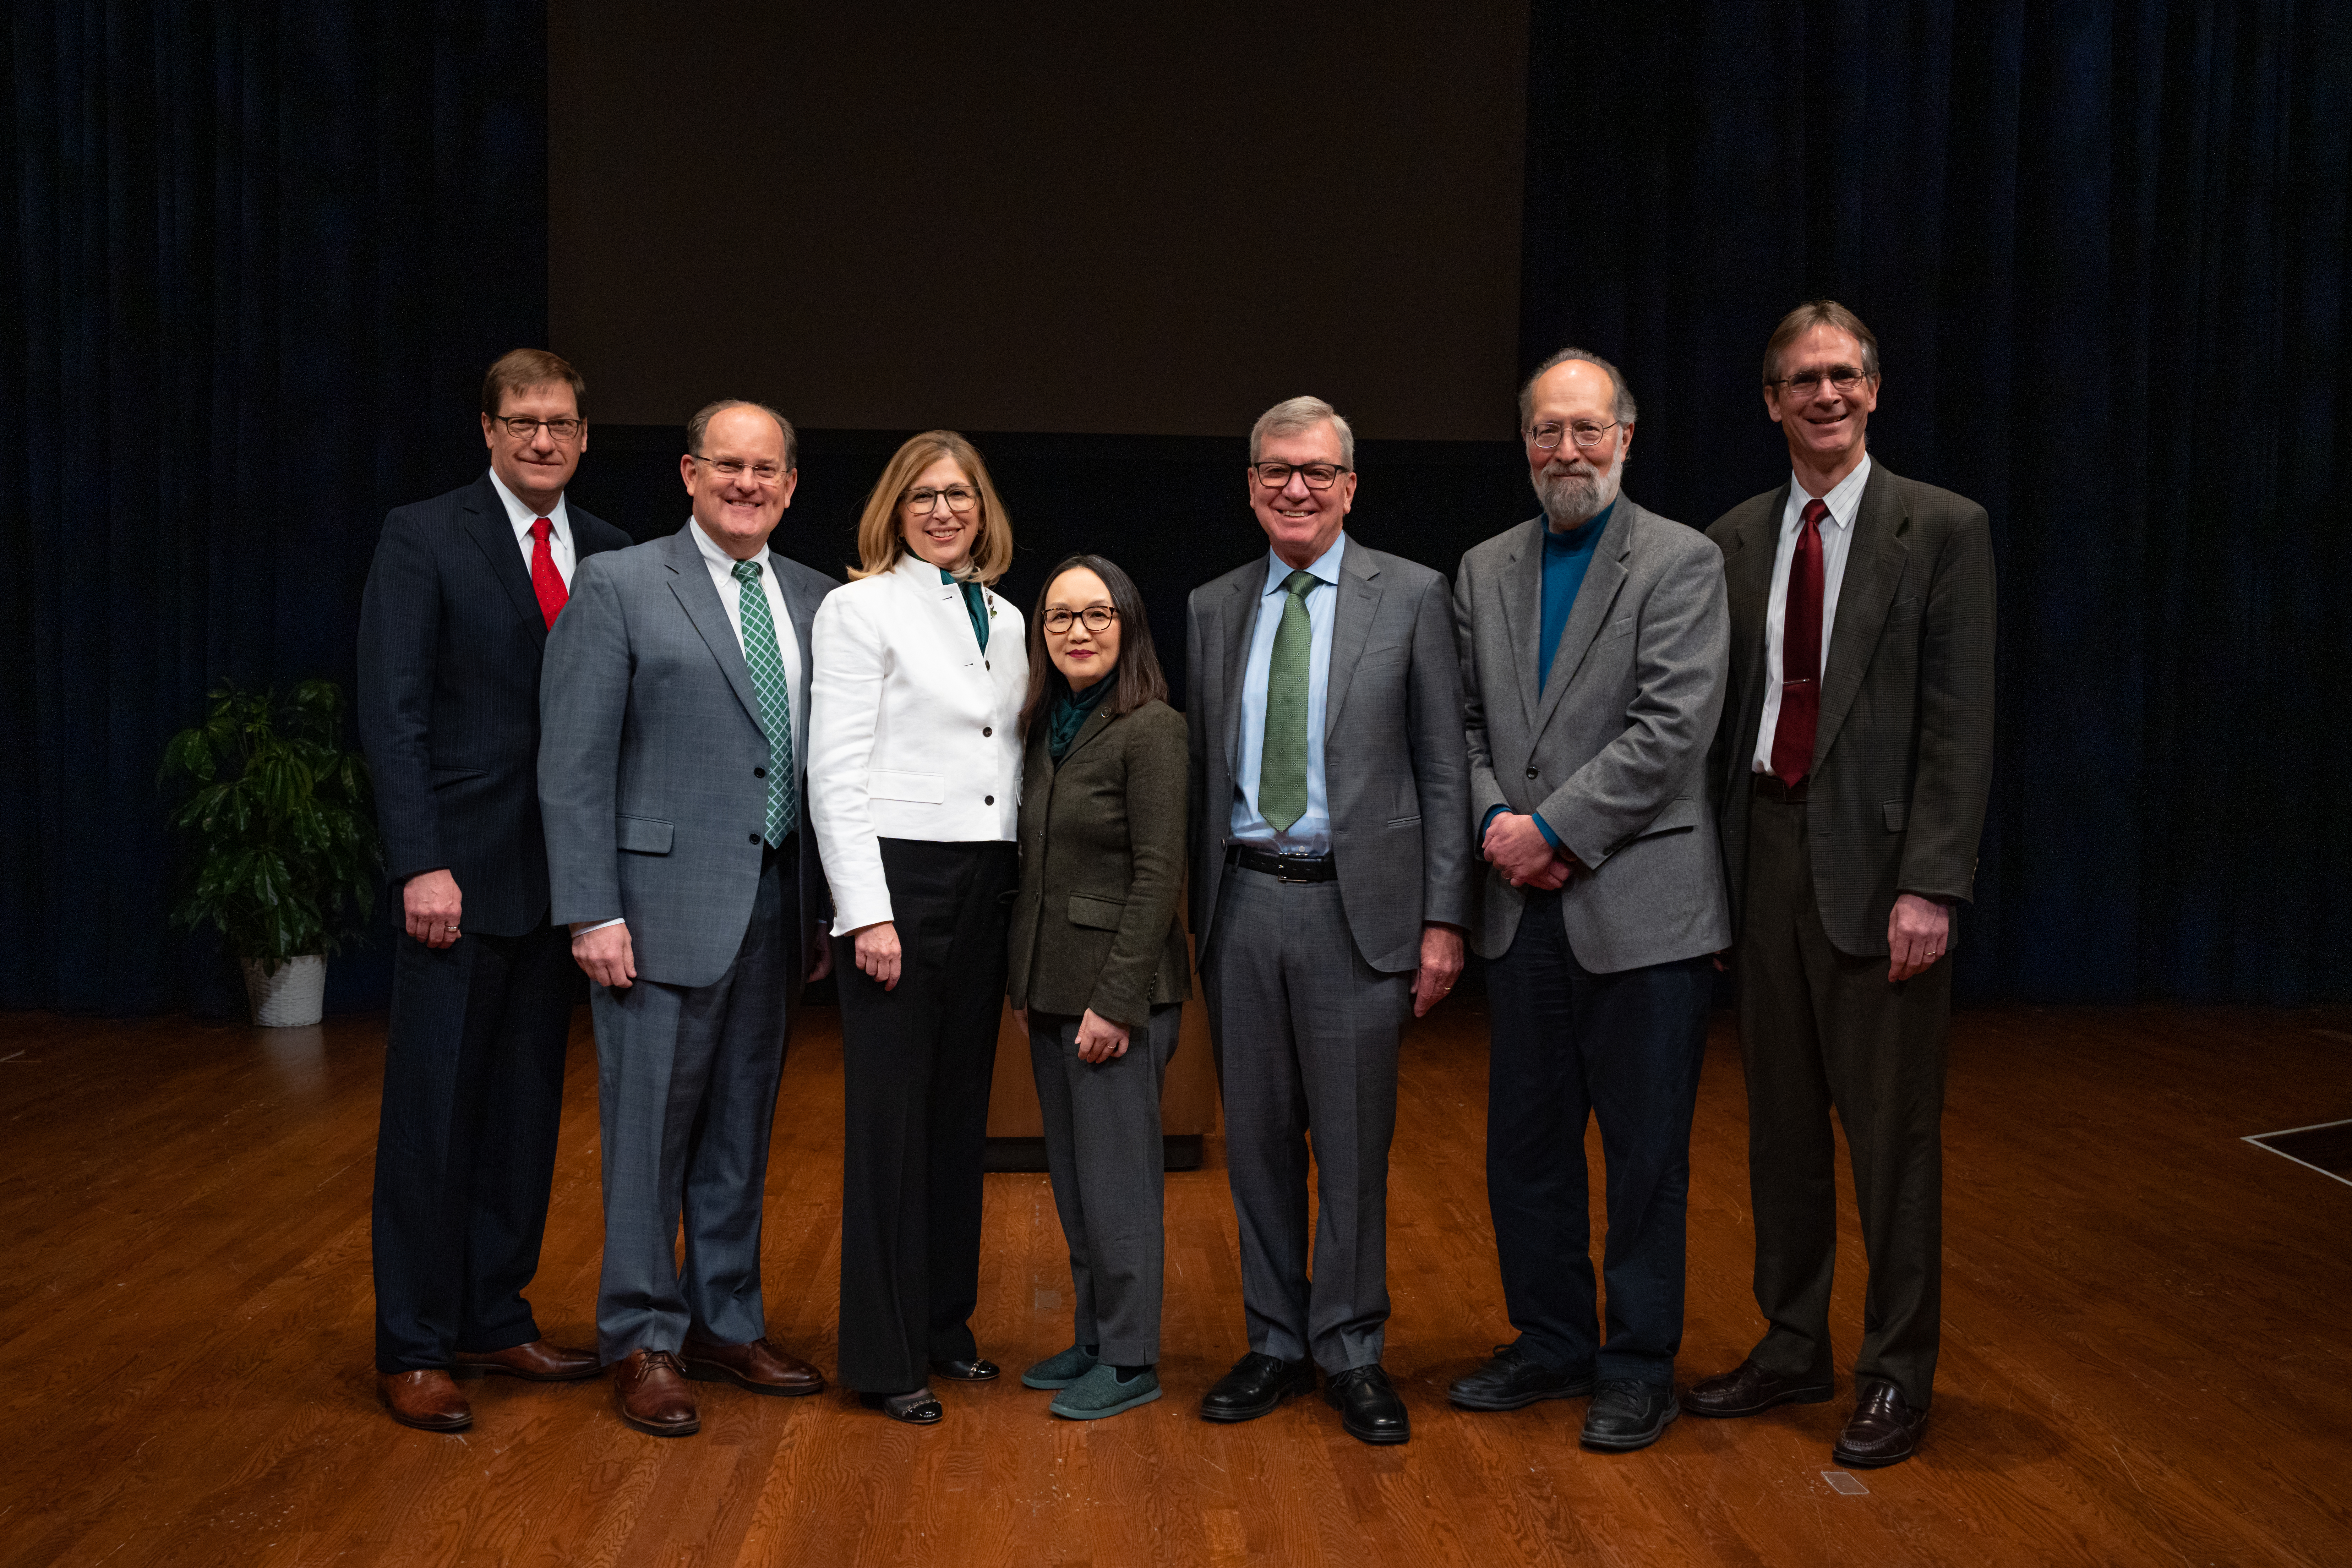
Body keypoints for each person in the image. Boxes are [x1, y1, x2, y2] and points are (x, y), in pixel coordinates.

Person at [1689, 301, 1996, 1468]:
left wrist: (1932, 883)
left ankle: (1894, 1370)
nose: (1823, 394)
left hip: (1881, 877)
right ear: (1769, 400)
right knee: (1777, 1128)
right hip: (1760, 854)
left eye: (1842, 375)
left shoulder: (1944, 529)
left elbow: (1958, 728)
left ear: (1873, 390)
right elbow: (1718, 728)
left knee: (1891, 1139)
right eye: (1800, 379)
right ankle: (1787, 1342)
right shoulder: (1730, 538)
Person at [1446, 350, 1730, 1452]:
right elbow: (1462, 726)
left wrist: (1552, 830)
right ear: (1523, 443)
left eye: (1586, 430)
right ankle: (1552, 1341)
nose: (1566, 450)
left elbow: (1672, 729)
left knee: (1645, 1149)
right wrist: (1498, 832)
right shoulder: (1481, 569)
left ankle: (1637, 1362)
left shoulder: (1682, 561)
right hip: (1522, 906)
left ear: (1625, 435)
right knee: (1525, 1146)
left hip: (1642, 907)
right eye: (1545, 432)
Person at [539, 399, 836, 1437]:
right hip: (652, 914)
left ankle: (723, 1318)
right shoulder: (620, 584)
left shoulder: (816, 597)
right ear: (689, 473)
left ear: (791, 485)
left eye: (766, 469)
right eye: (728, 466)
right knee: (648, 1134)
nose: (747, 484)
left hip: (775, 906)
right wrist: (590, 910)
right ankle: (642, 1334)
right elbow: (572, 763)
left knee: (740, 1132)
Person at [1185, 395, 1471, 1446]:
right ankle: (1273, 1340)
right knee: (1257, 1143)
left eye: (1314, 471)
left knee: (1351, 1146)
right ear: (1250, 485)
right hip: (1245, 905)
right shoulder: (1215, 605)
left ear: (1351, 485)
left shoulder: (1413, 597)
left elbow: (1444, 768)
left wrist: (1446, 919)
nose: (1294, 488)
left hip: (1359, 914)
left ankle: (1350, 1347)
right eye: (1274, 471)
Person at [357, 348, 625, 1432]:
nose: (542, 440)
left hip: (560, 885)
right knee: (431, 1120)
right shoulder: (423, 536)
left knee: (523, 1118)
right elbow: (394, 712)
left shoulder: (608, 555)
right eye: (521, 422)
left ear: (585, 435)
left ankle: (493, 1313)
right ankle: (413, 1343)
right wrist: (422, 860)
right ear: (487, 430)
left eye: (560, 422)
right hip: (456, 884)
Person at [807, 431, 1028, 1425]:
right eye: (924, 496)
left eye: (962, 496)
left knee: (956, 1117)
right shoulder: (859, 608)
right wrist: (868, 912)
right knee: (892, 1130)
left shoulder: (1015, 617)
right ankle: (884, 1354)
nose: (945, 511)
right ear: (894, 509)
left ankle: (945, 1326)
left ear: (984, 510)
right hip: (898, 882)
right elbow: (834, 770)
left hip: (987, 882)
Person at [1005, 554, 1191, 1422]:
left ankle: (1130, 1357)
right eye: (1058, 617)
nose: (1077, 631)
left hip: (1116, 996)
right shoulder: (1048, 723)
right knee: (1077, 1183)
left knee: (1119, 1186)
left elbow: (1159, 876)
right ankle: (1093, 1334)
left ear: (1127, 625)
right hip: (1049, 984)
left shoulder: (1152, 727)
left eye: (1096, 614)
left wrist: (1115, 1003)